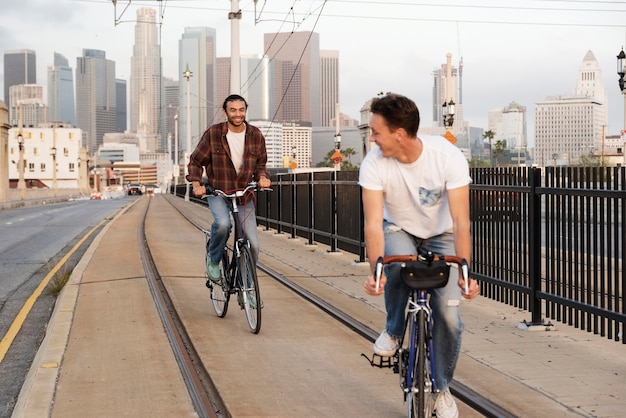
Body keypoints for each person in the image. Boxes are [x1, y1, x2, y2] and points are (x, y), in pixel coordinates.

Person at [359, 93, 479, 418]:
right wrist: (376, 271)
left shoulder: (447, 157)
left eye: (376, 131)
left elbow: (461, 221)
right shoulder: (374, 163)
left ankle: (441, 389)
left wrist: (466, 272)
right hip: (398, 228)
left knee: (450, 317)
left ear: (399, 133)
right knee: (396, 261)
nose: (372, 137)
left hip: (442, 235)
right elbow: (372, 224)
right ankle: (395, 329)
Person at [187, 94, 271, 288]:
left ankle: (247, 287)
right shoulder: (213, 134)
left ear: (245, 111)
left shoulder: (256, 135)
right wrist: (196, 184)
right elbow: (196, 162)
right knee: (224, 224)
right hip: (218, 192)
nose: (237, 114)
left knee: (253, 244)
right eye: (233, 110)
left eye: (241, 110)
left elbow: (261, 164)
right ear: (225, 112)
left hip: (243, 194)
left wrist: (263, 178)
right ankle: (214, 259)